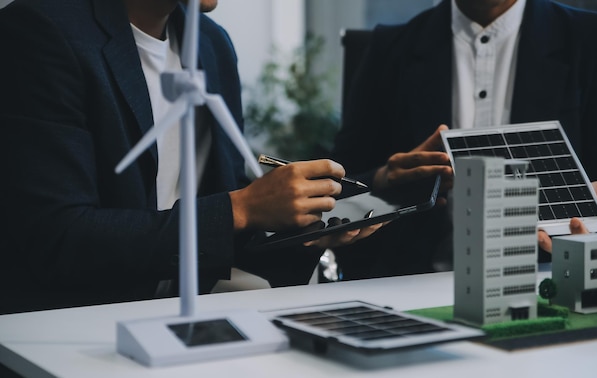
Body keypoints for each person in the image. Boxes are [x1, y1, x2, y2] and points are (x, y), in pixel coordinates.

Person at [0, 0, 380, 314]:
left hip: (184, 310)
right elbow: (58, 239)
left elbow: (221, 212)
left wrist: (312, 224)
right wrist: (240, 208)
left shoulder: (211, 46)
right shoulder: (40, 31)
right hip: (74, 321)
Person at [330, 0, 597, 280]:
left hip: (549, 280)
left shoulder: (595, 39)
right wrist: (384, 180)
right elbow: (341, 189)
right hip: (413, 282)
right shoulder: (390, 48)